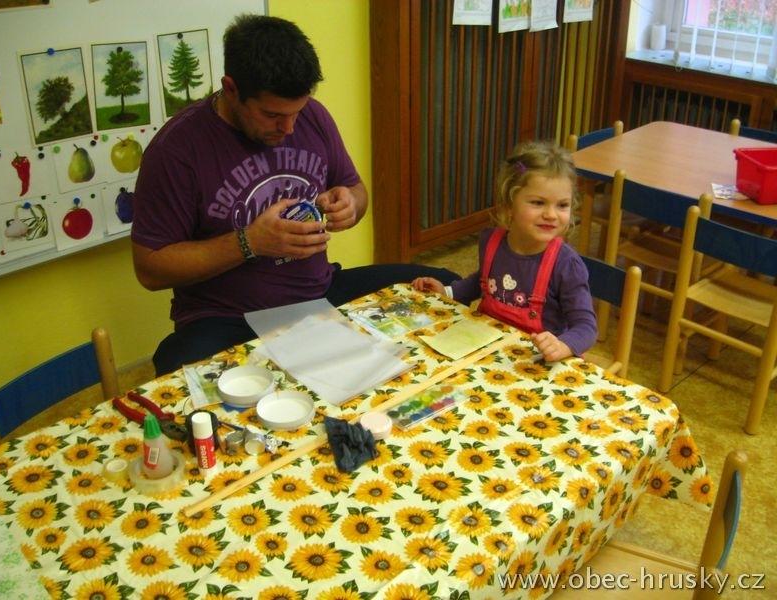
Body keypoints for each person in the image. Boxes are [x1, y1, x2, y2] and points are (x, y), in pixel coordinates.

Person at [132, 14, 456, 375]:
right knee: (178, 376)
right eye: (272, 115)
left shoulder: (313, 117)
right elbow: (150, 269)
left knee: (444, 285)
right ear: (231, 88)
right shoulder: (176, 150)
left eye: (296, 112)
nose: (288, 128)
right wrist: (250, 242)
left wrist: (350, 204)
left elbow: (356, 191)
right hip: (228, 319)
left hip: (320, 293)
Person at [412, 141, 596, 362]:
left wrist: (563, 345)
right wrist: (448, 292)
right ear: (509, 205)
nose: (551, 214)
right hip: (488, 350)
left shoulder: (566, 264)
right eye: (538, 203)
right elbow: (483, 281)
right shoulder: (491, 241)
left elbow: (586, 327)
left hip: (537, 361)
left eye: (562, 205)